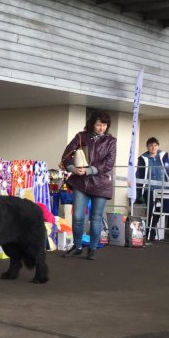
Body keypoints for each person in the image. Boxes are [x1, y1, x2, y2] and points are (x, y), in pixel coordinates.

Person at [59, 110, 116, 260]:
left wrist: (89, 170)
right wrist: (72, 169)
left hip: (101, 184)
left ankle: (92, 249)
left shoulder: (111, 141)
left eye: (104, 125)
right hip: (80, 183)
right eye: (98, 125)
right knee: (78, 217)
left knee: (95, 218)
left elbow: (109, 163)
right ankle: (77, 246)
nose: (101, 128)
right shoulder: (81, 136)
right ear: (92, 124)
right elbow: (66, 155)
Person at [136, 136, 169, 237]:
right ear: (147, 147)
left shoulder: (163, 155)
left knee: (168, 209)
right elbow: (139, 173)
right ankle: (150, 232)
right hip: (149, 189)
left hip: (164, 188)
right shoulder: (142, 158)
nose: (153, 148)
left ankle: (153, 224)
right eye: (151, 146)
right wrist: (137, 187)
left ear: (158, 146)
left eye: (155, 145)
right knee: (149, 211)